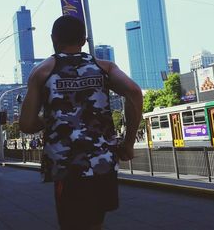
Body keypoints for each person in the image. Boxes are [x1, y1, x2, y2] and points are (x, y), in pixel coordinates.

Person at [19, 15, 143, 230]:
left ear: (53, 39)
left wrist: (53, 117)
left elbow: (27, 124)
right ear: (84, 40)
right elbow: (133, 93)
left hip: (68, 167)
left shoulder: (42, 72)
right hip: (103, 163)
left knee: (72, 224)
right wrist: (128, 143)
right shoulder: (105, 68)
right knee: (95, 223)